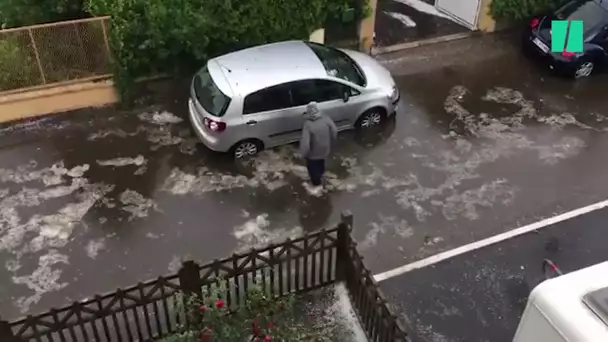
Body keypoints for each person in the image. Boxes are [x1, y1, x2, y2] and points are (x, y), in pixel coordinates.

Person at [299, 102, 337, 194]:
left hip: (313, 154)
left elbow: (305, 143)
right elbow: (334, 131)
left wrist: (302, 154)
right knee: (321, 164)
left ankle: (317, 186)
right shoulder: (326, 118)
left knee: (312, 170)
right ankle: (322, 176)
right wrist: (330, 142)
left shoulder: (308, 124)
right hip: (325, 150)